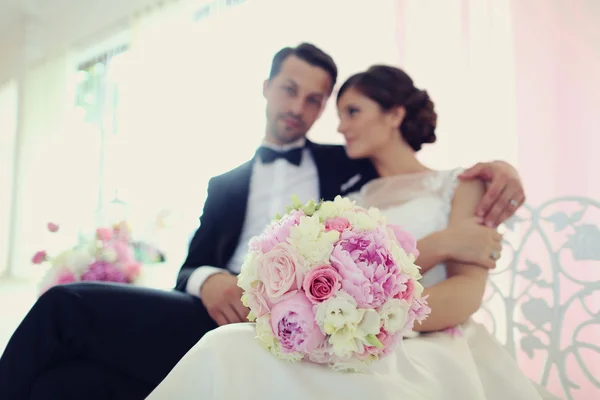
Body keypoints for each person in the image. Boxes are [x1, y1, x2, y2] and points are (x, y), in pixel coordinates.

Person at [0, 44, 524, 400]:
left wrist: (501, 171)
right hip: (218, 309)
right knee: (64, 365)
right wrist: (212, 281)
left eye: (320, 100)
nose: (309, 109)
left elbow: (426, 177)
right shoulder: (224, 183)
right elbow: (190, 266)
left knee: (67, 327)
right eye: (291, 89)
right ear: (268, 87)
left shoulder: (349, 171)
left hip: (313, 320)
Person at [145, 64, 559, 400]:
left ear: (395, 114)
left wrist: (370, 321)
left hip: (427, 341)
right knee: (229, 347)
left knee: (232, 349)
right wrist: (439, 247)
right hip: (349, 333)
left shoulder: (464, 183)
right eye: (339, 114)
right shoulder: (351, 194)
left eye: (353, 112)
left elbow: (466, 294)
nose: (340, 127)